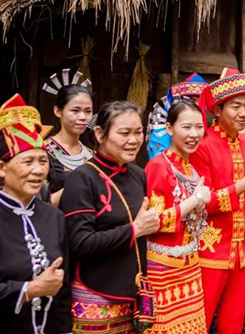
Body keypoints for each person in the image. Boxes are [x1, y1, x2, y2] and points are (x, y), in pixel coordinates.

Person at [0, 94, 71, 333]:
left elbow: (63, 289)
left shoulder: (54, 218)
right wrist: (29, 290)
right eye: (28, 162)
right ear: (1, 168)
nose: (38, 170)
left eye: (43, 161)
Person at [60, 101, 161, 333]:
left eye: (138, 132)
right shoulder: (82, 179)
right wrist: (135, 229)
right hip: (95, 297)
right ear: (100, 134)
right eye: (124, 133)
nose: (134, 140)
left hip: (132, 298)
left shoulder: (138, 175)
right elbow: (80, 242)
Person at [189, 68, 245, 334]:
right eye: (235, 106)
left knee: (233, 323)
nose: (243, 112)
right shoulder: (202, 146)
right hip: (211, 250)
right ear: (217, 110)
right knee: (199, 321)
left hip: (243, 252)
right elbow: (203, 203)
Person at [144, 100, 211, 334]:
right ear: (169, 128)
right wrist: (195, 200)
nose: (194, 134)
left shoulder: (190, 169)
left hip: (190, 265)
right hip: (163, 269)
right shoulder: (158, 166)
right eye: (186, 127)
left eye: (199, 127)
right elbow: (154, 222)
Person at [43, 78, 94, 204]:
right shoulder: (42, 151)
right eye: (75, 111)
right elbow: (38, 201)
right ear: (58, 111)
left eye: (88, 111)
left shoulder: (92, 155)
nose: (83, 117)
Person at [147, 73, 211, 159]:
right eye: (192, 100)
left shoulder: (207, 133)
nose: (198, 105)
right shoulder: (160, 134)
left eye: (202, 101)